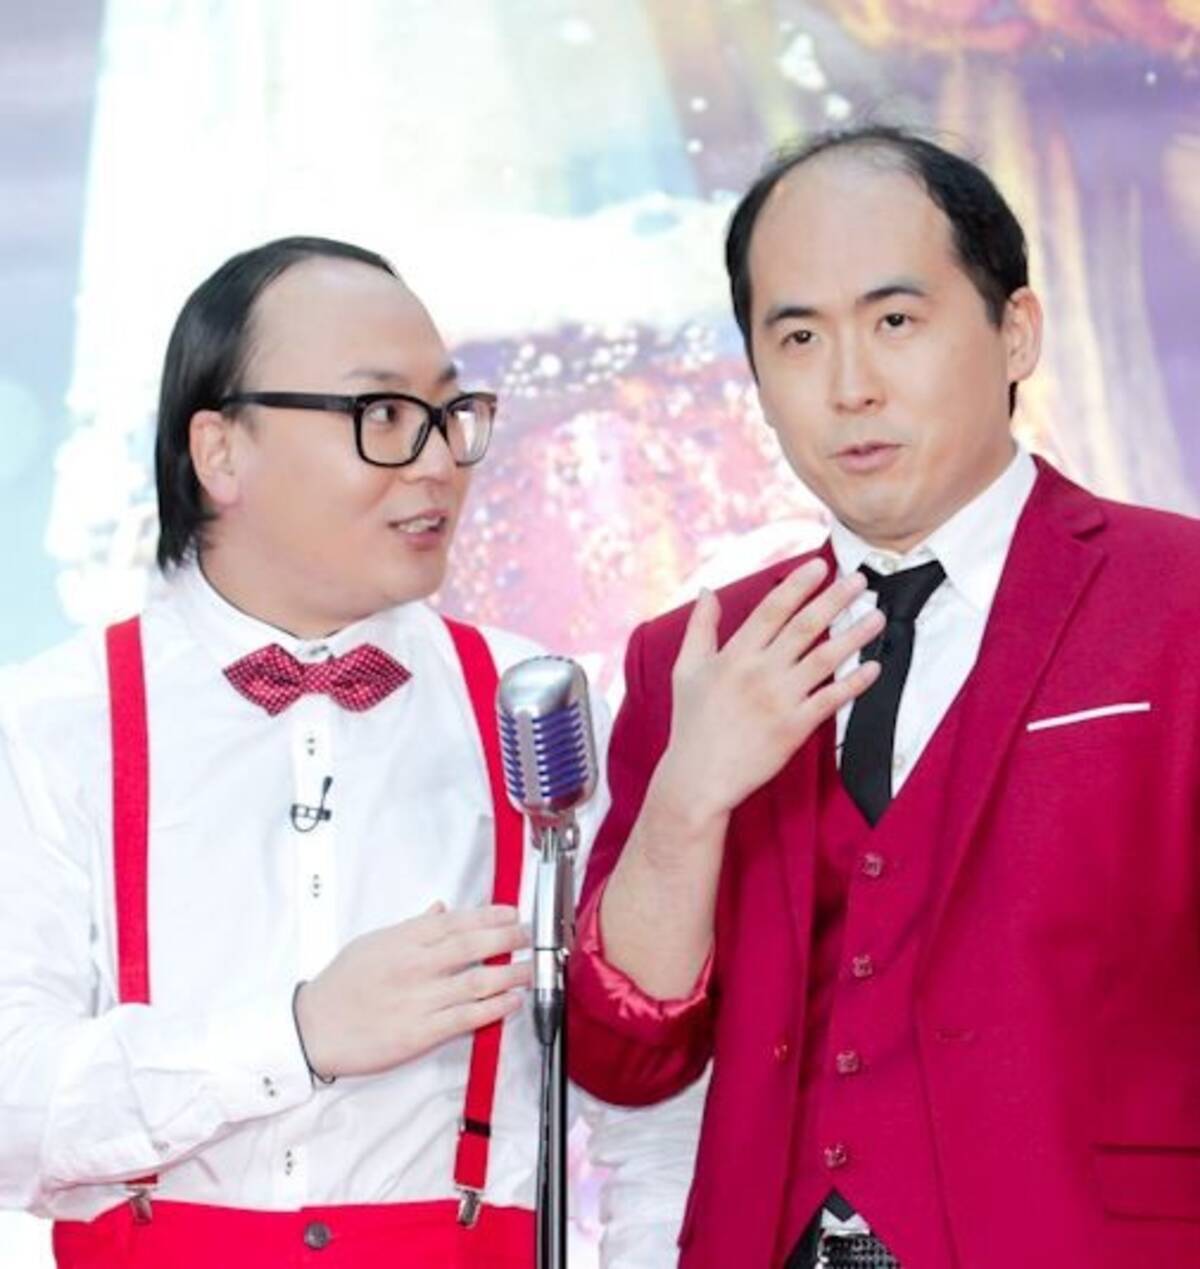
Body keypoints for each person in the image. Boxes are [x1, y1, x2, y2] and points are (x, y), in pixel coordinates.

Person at [568, 124, 1200, 1269]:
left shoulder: (1178, 600)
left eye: (895, 322)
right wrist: (686, 802)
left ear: (1016, 331)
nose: (850, 386)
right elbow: (626, 1061)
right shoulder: (694, 656)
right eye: (799, 337)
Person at [0, 235, 618, 1268]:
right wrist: (296, 1035)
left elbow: (639, 1101)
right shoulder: (52, 721)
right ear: (221, 452)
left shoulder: (536, 704)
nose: (437, 462)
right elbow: (11, 1108)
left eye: (451, 415)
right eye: (382, 415)